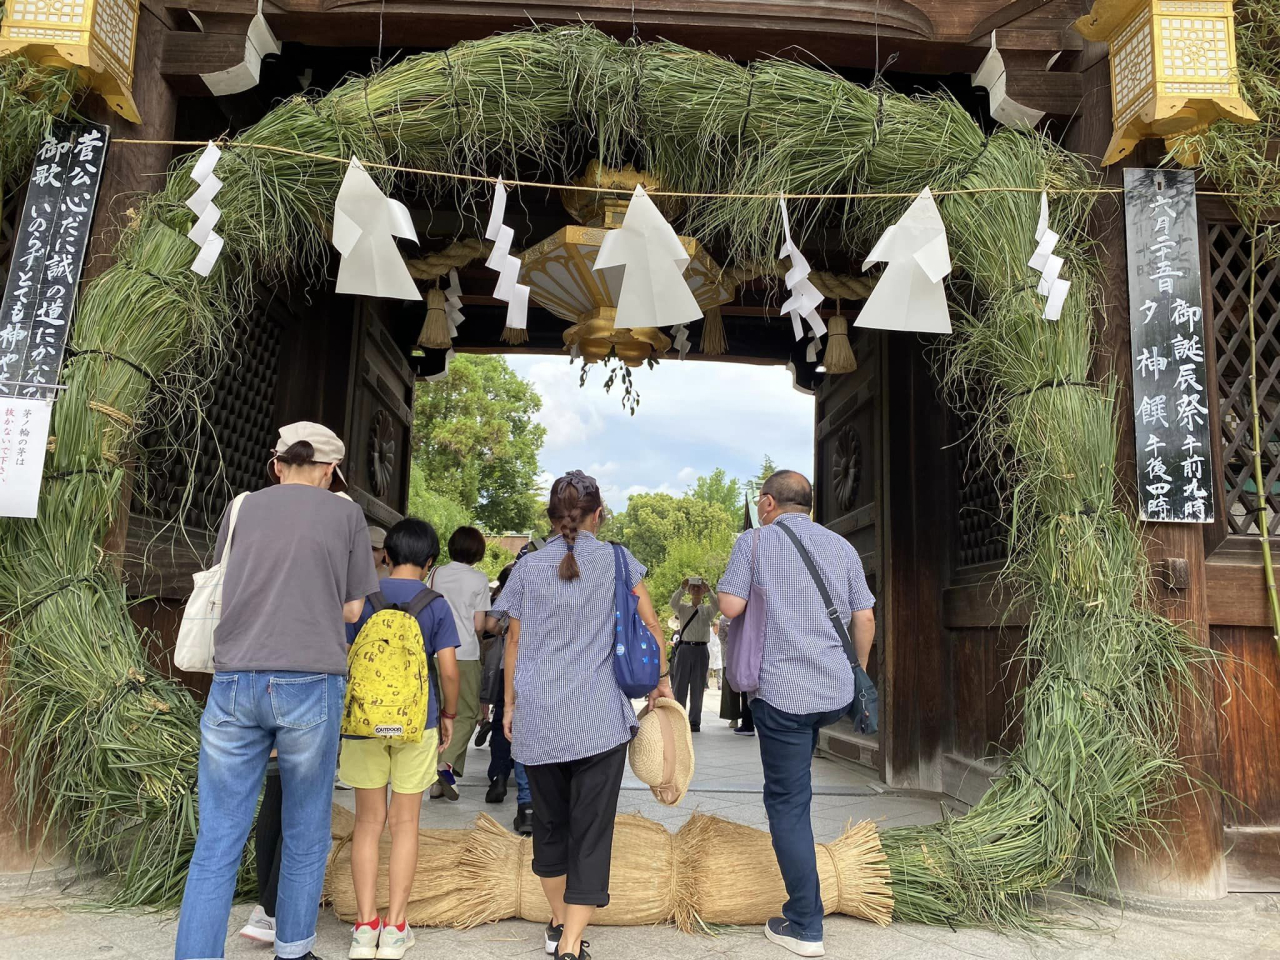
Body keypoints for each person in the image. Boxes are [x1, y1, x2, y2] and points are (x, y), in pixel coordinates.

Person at [175, 422, 379, 960]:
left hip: (235, 678)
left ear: (277, 463)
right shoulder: (346, 514)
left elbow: (226, 579)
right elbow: (354, 609)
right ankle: (292, 950)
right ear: (331, 471)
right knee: (306, 829)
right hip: (311, 681)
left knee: (218, 839)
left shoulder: (242, 507)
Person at [493, 471, 673, 960]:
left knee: (548, 827)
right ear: (599, 514)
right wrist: (662, 681)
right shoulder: (619, 560)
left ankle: (556, 921)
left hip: (539, 718)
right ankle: (570, 944)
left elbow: (512, 639)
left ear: (551, 519)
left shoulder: (527, 567)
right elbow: (651, 624)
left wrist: (509, 707)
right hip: (599, 720)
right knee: (592, 830)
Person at [718, 470, 874, 959]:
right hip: (831, 692)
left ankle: (805, 924)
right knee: (798, 781)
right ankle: (806, 899)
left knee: (787, 801)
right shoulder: (841, 546)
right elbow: (864, 616)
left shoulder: (755, 542)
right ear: (808, 504)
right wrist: (856, 672)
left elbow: (730, 604)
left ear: (768, 503)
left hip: (783, 693)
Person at [341, 518, 461, 960]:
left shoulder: (364, 600)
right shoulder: (436, 604)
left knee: (368, 824)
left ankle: (364, 927)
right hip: (417, 724)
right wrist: (448, 714)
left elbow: (343, 659)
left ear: (385, 556)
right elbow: (449, 670)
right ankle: (394, 930)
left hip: (363, 725)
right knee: (405, 824)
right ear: (430, 563)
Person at [427, 525, 491, 797]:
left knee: (439, 711)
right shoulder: (478, 580)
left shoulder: (436, 573)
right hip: (464, 652)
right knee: (466, 713)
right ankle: (444, 764)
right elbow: (479, 624)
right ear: (477, 552)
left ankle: (436, 783)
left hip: (434, 652)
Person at [483, 565, 534, 833]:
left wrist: (505, 631)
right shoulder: (553, 585)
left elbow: (491, 625)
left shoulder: (513, 588)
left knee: (506, 726)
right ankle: (534, 802)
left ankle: (501, 778)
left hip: (510, 668)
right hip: (541, 671)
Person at [669, 578, 720, 732]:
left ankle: (694, 721)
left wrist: (709, 590)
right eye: (693, 587)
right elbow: (673, 603)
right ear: (689, 591)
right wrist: (682, 587)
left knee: (698, 687)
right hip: (685, 648)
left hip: (701, 649)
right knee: (680, 686)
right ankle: (678, 718)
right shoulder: (683, 608)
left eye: (699, 588)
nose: (696, 590)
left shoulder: (707, 610)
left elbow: (718, 605)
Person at [707, 617, 723, 691]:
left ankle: (719, 685)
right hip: (709, 653)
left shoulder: (720, 633)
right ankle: (706, 684)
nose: (718, 629)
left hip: (718, 653)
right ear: (714, 626)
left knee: (719, 669)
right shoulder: (708, 632)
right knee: (707, 670)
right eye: (718, 627)